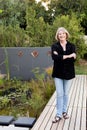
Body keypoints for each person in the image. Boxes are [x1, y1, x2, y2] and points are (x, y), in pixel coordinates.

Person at [51, 27, 76, 123]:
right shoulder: (55, 46)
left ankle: (64, 112)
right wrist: (69, 55)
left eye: (63, 33)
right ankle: (58, 114)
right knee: (59, 93)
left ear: (66, 34)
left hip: (69, 73)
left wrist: (61, 56)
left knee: (66, 93)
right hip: (58, 73)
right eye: (59, 34)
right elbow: (55, 58)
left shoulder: (72, 46)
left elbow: (73, 59)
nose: (61, 35)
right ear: (57, 36)